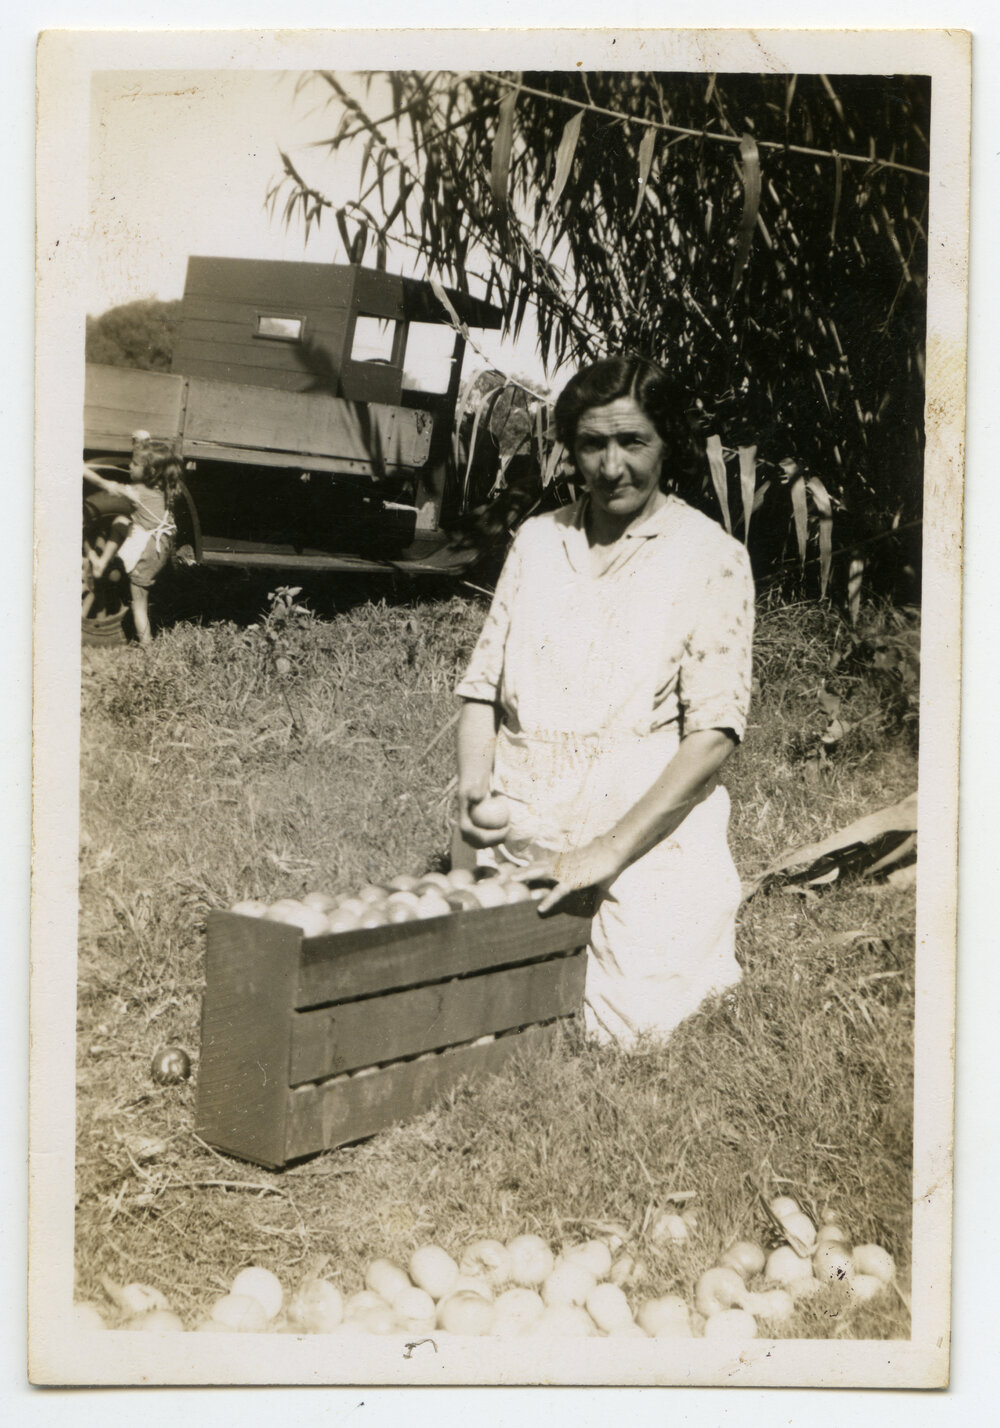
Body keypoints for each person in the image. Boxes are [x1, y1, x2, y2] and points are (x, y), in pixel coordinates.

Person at [455, 357, 755, 1048]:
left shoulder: (710, 556)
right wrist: (475, 789)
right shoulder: (538, 541)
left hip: (644, 833)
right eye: (593, 444)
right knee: (489, 1020)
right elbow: (481, 689)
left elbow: (714, 734)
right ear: (572, 448)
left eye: (633, 442)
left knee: (628, 1030)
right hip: (528, 824)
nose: (611, 466)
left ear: (667, 444)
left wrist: (605, 852)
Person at [84, 431, 182, 647]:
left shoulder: (137, 491)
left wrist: (82, 468)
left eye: (135, 464)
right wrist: (141, 442)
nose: (130, 466)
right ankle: (100, 564)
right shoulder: (164, 485)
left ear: (150, 471)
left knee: (139, 604)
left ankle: (147, 647)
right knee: (119, 522)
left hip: (148, 552)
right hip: (160, 545)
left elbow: (105, 485)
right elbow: (151, 457)